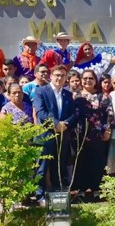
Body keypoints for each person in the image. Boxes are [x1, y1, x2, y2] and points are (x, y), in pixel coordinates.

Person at [33, 65, 77, 204]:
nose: (59, 78)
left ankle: (58, 195)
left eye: (62, 75)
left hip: (63, 135)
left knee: (59, 166)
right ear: (51, 76)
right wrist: (56, 124)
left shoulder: (67, 94)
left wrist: (66, 125)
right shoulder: (41, 91)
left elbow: (73, 114)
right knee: (42, 168)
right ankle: (40, 196)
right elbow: (41, 112)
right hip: (46, 136)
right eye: (57, 75)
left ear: (66, 78)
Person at [72, 70, 114, 193]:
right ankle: (82, 190)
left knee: (97, 161)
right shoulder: (75, 96)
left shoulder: (102, 96)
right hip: (79, 134)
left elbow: (110, 114)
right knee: (81, 162)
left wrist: (108, 130)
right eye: (85, 78)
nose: (88, 80)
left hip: (98, 135)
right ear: (81, 80)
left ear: (96, 81)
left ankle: (97, 189)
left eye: (91, 78)